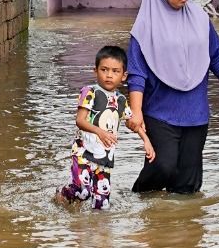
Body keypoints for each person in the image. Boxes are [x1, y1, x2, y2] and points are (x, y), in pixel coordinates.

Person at [124, 0, 219, 195]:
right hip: (160, 112)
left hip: (196, 113)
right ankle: (140, 203)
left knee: (188, 182)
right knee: (164, 165)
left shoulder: (200, 19)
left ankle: (184, 226)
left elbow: (216, 56)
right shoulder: (144, 27)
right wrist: (136, 110)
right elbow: (137, 73)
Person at [56, 45, 154, 209]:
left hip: (104, 157)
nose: (109, 75)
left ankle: (99, 233)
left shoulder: (121, 100)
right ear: (95, 71)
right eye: (104, 70)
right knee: (83, 191)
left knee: (102, 204)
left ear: (124, 76)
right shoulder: (89, 92)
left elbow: (132, 122)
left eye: (115, 71)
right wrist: (99, 132)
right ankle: (63, 193)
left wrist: (146, 140)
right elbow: (80, 121)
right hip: (83, 152)